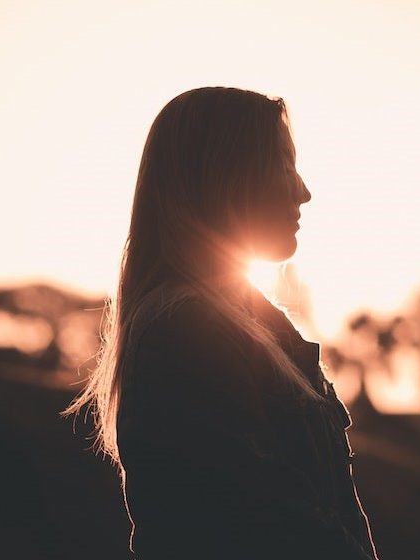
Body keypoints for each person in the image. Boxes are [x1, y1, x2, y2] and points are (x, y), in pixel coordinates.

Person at [61, 86, 379, 559]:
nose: (304, 191)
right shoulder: (185, 332)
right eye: (284, 165)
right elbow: (271, 527)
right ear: (226, 177)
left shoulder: (250, 326)